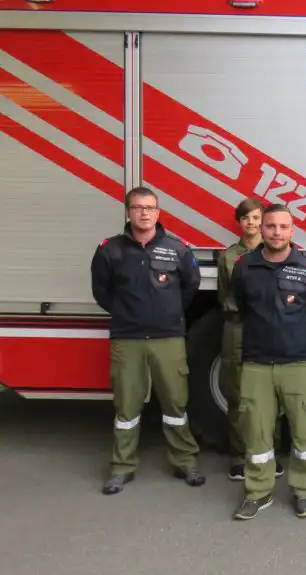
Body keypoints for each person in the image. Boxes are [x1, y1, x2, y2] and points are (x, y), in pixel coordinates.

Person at [91, 186, 205, 495]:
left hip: (168, 338)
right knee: (126, 406)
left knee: (175, 403)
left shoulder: (177, 249)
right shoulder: (110, 250)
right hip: (128, 338)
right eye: (138, 207)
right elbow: (101, 291)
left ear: (158, 212)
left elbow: (190, 286)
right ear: (128, 212)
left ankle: (185, 461)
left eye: (150, 207)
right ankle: (121, 467)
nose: (144, 213)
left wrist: (168, 313)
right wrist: (126, 313)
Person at [231, 204, 306, 520]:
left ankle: (304, 489)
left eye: (283, 227)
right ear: (261, 228)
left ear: (292, 230)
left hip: (298, 362)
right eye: (271, 226)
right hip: (257, 363)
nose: (276, 232)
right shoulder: (244, 268)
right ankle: (257, 492)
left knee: (304, 430)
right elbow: (242, 307)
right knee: (256, 430)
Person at [218, 198, 284, 481]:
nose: (251, 223)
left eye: (256, 218)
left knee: (271, 393)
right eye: (246, 218)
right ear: (239, 222)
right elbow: (224, 295)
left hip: (268, 326)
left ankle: (271, 453)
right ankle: (238, 456)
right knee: (237, 392)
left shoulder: (274, 252)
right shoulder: (228, 257)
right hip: (237, 326)